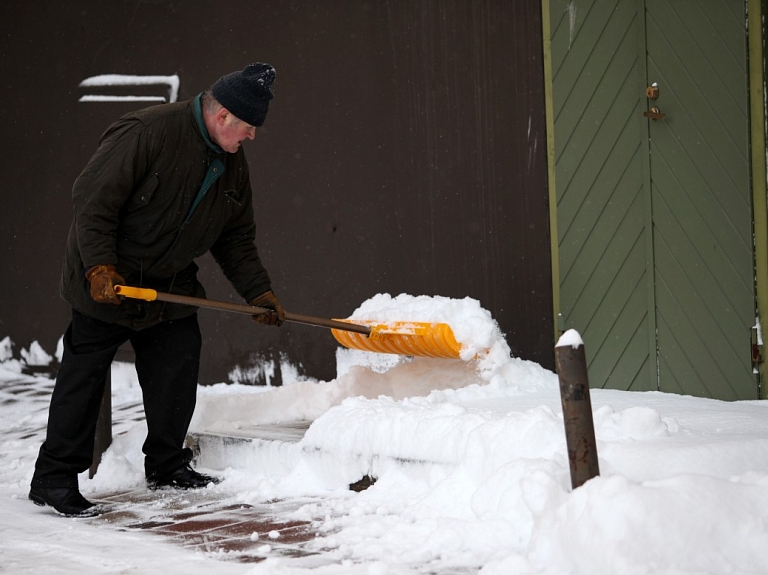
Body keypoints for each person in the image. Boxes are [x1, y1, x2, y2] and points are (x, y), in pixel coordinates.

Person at [29, 63, 286, 517]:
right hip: (108, 277)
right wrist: (100, 269)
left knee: (177, 363)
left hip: (167, 284)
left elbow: (235, 238)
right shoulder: (148, 132)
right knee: (83, 376)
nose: (252, 137)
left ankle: (166, 466)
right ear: (223, 116)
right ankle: (53, 478)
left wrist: (258, 294)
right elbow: (92, 200)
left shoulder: (231, 164)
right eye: (248, 127)